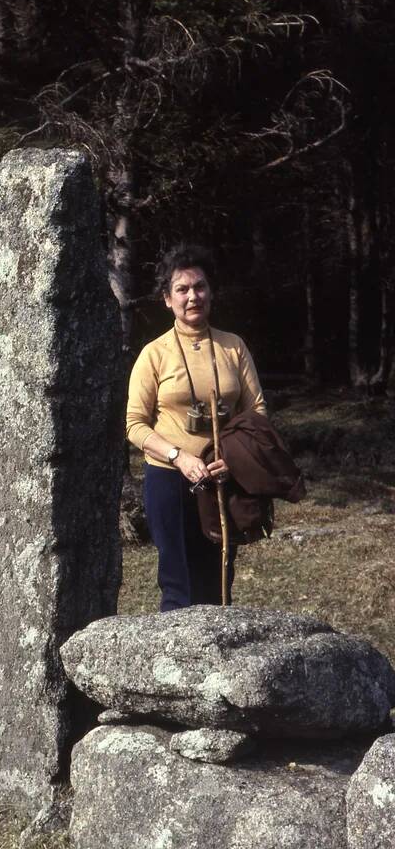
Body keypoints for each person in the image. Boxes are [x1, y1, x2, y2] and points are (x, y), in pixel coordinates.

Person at [126, 245, 266, 611]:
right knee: (179, 582)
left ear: (211, 292)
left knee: (219, 579)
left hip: (222, 477)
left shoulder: (233, 346)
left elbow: (257, 412)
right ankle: (176, 663)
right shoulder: (154, 354)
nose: (193, 297)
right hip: (170, 481)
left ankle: (219, 662)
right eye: (182, 289)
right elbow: (134, 425)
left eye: (200, 287)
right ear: (167, 300)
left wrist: (233, 459)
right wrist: (179, 457)